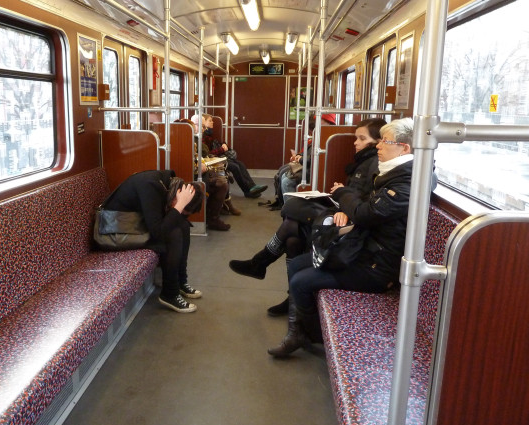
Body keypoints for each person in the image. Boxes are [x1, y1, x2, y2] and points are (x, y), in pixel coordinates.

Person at [267, 118, 416, 357]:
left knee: (300, 281)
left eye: (385, 142)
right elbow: (363, 207)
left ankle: (314, 335)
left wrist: (343, 194)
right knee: (296, 264)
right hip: (364, 250)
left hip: (376, 268)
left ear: (404, 148)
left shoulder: (404, 183)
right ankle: (297, 331)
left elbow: (365, 213)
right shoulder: (391, 174)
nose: (378, 146)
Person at [229, 118, 386, 316]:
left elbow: (364, 203)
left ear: (378, 142)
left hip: (349, 224)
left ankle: (260, 263)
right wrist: (342, 194)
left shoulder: (374, 165)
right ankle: (289, 298)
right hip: (344, 212)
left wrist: (342, 195)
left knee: (292, 218)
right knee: (292, 238)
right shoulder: (364, 162)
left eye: (362, 139)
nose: (356, 143)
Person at [103, 169, 204, 313]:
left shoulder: (168, 184)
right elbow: (158, 233)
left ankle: (181, 281)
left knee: (183, 225)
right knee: (173, 233)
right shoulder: (150, 186)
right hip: (115, 232)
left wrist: (179, 207)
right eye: (181, 207)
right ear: (178, 195)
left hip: (134, 226)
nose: (180, 210)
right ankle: (170, 293)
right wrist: (179, 205)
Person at [267, 113, 337, 209]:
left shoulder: (326, 136)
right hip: (310, 167)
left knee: (287, 181)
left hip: (316, 170)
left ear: (327, 123)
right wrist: (300, 156)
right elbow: (309, 153)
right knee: (283, 174)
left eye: (320, 120)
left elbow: (312, 160)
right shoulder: (319, 134)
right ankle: (285, 206)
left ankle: (292, 210)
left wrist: (300, 158)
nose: (316, 122)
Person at [194, 113, 268, 198]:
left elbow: (217, 143)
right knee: (234, 167)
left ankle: (252, 186)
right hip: (213, 159)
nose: (212, 122)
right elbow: (208, 153)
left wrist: (223, 144)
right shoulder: (202, 136)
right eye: (210, 121)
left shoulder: (210, 134)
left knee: (240, 164)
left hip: (216, 157)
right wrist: (222, 149)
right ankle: (247, 190)